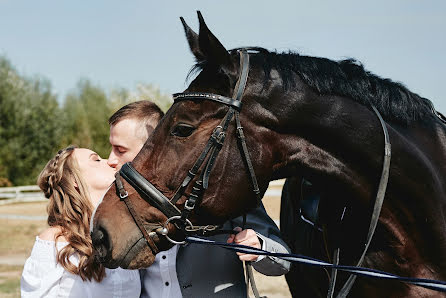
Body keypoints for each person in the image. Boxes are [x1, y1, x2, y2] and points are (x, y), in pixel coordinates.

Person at [107, 100, 291, 297]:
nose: (110, 159)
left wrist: (259, 247)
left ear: (151, 148)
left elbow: (283, 261)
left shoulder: (224, 191)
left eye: (120, 150)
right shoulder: (123, 203)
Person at [21, 146, 141, 298]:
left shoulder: (127, 235)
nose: (110, 162)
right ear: (74, 180)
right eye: (96, 160)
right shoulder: (54, 243)